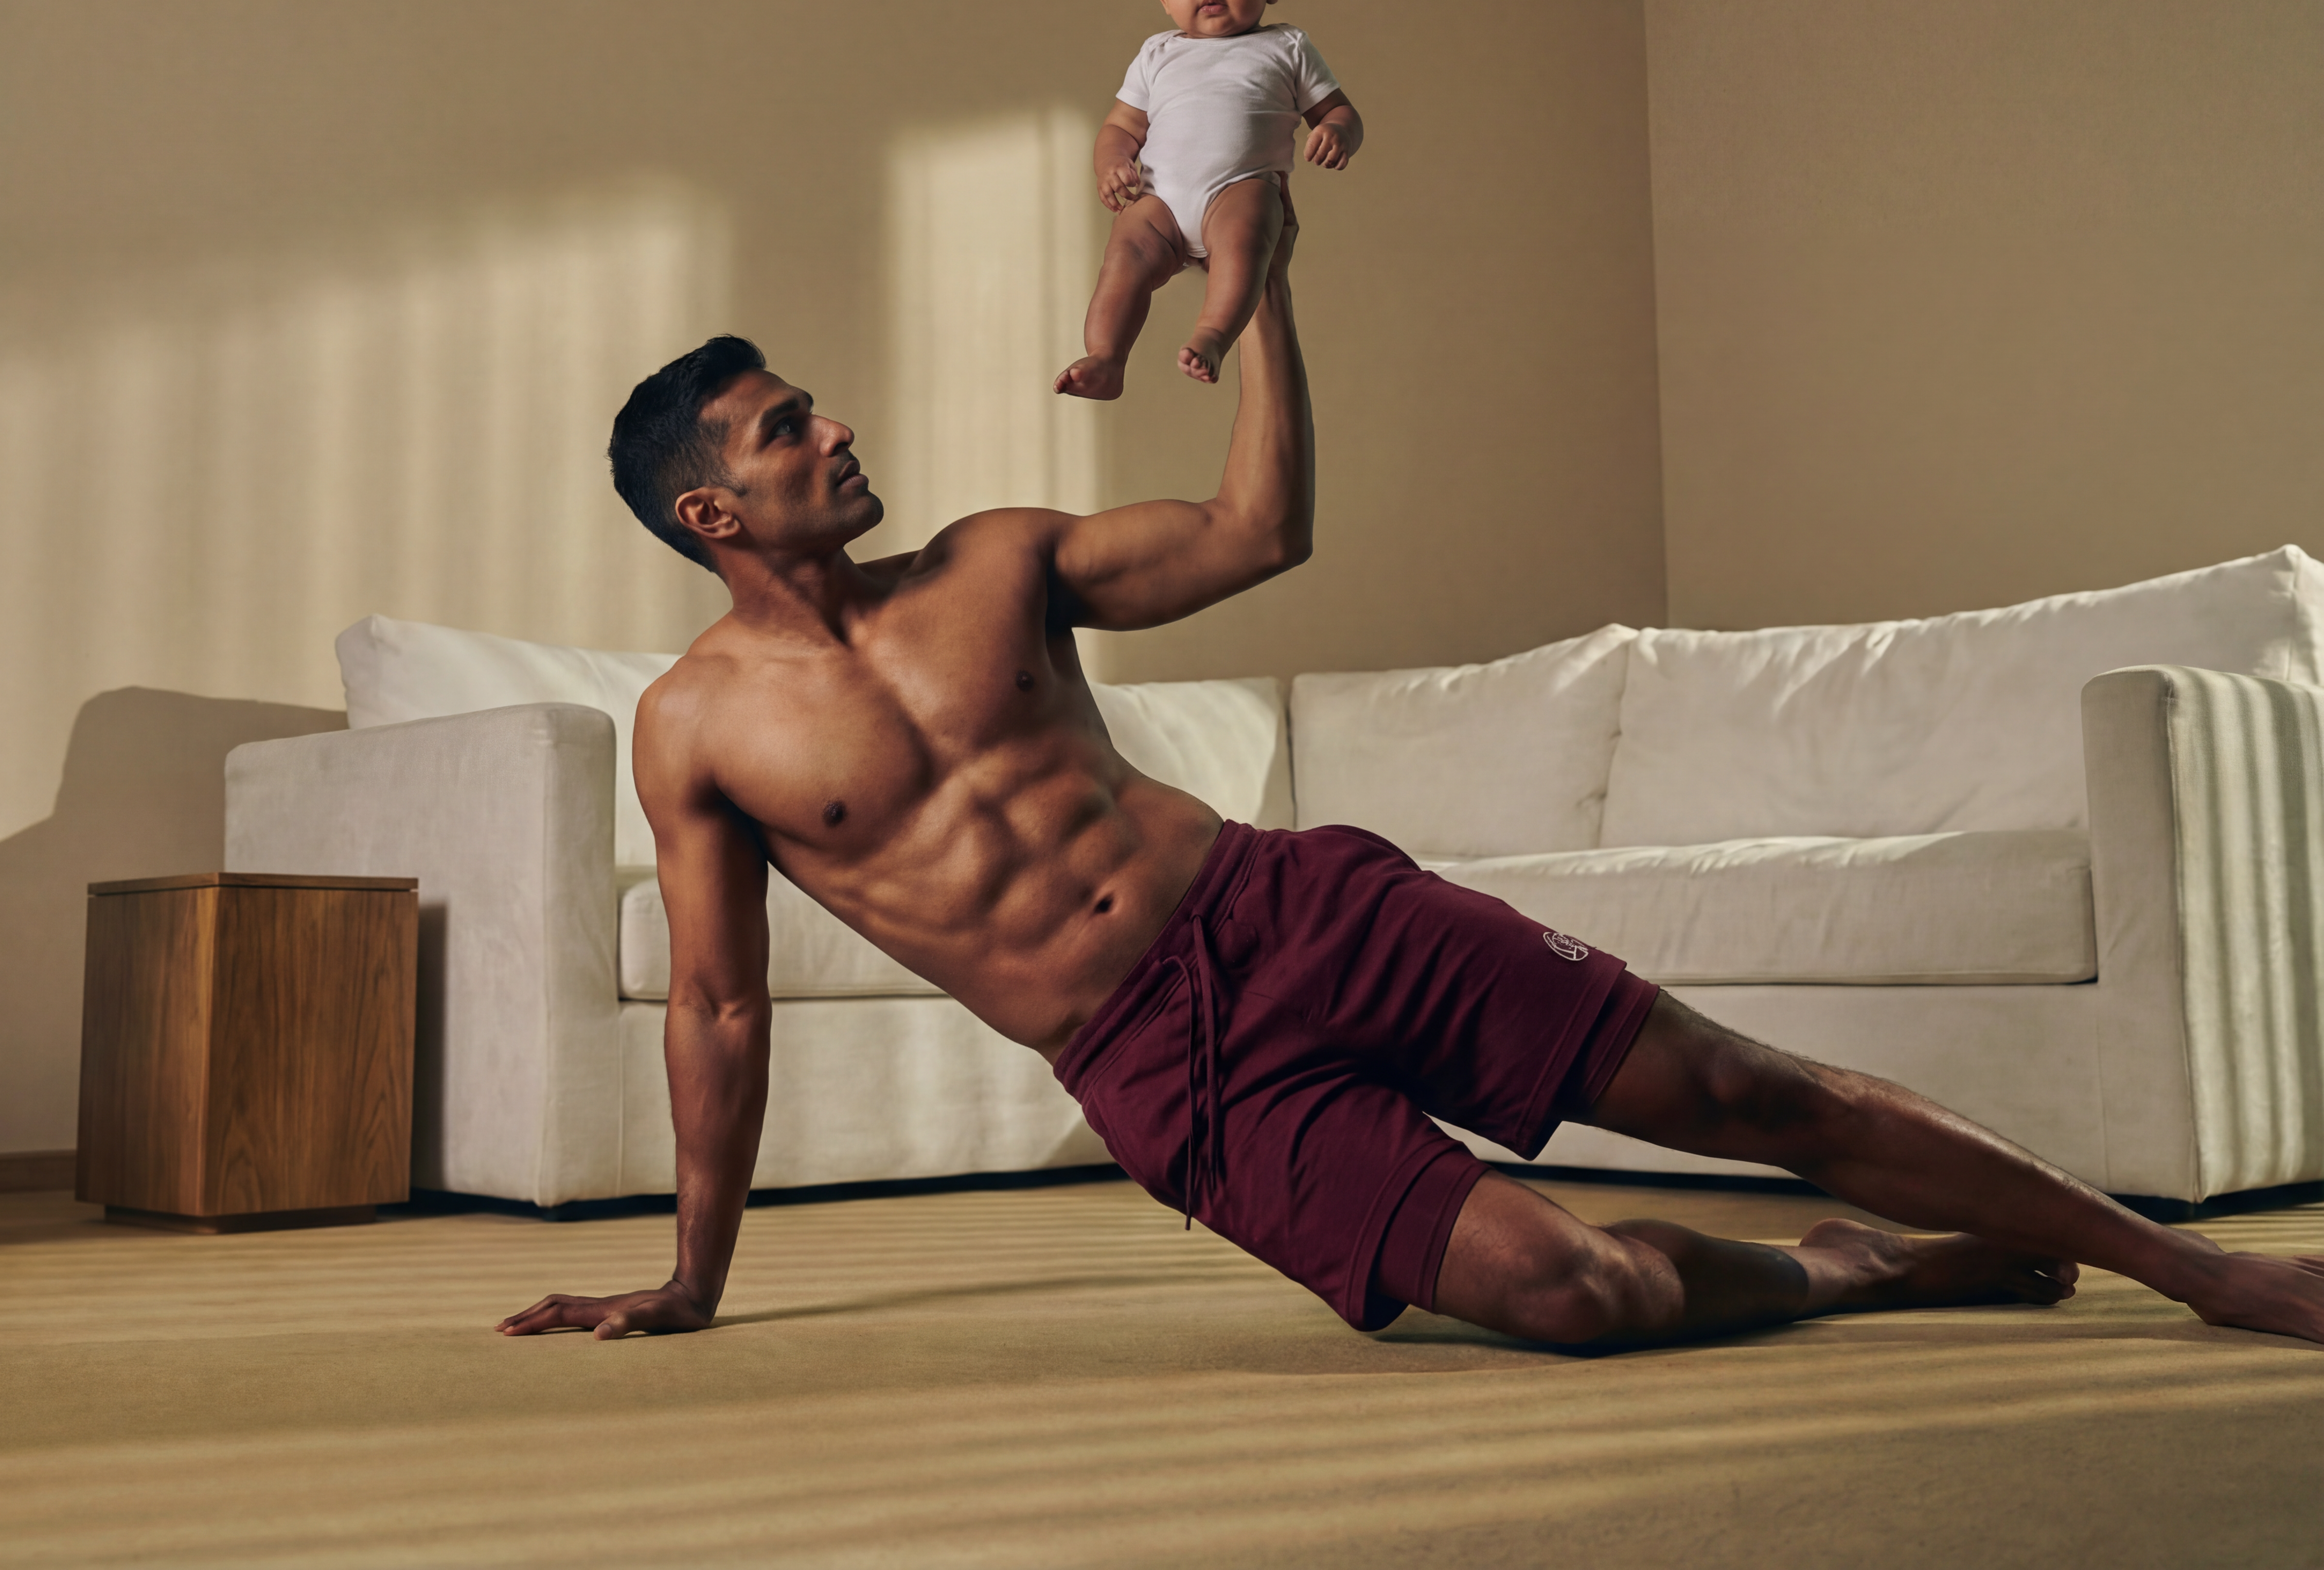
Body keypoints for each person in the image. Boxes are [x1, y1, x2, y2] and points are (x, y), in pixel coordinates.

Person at [500, 195, 2324, 1349]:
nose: (832, 426)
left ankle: (2190, 1271)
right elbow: (720, 1014)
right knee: (1574, 1292)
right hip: (1156, 1066)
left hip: (1284, 910)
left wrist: (1259, 282)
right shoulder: (695, 726)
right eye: (783, 426)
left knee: (1735, 1086)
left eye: (814, 400)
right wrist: (693, 1274)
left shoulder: (993, 561)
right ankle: (1858, 1266)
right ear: (711, 510)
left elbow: (1256, 528)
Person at [1053, 0, 1360, 400]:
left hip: (1238, 189)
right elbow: (1121, 127)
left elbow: (1338, 110)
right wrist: (1111, 164)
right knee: (1124, 253)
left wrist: (1336, 131)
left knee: (1247, 237)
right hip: (1161, 202)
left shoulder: (1286, 46)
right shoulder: (1157, 54)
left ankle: (1213, 335)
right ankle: (1107, 355)